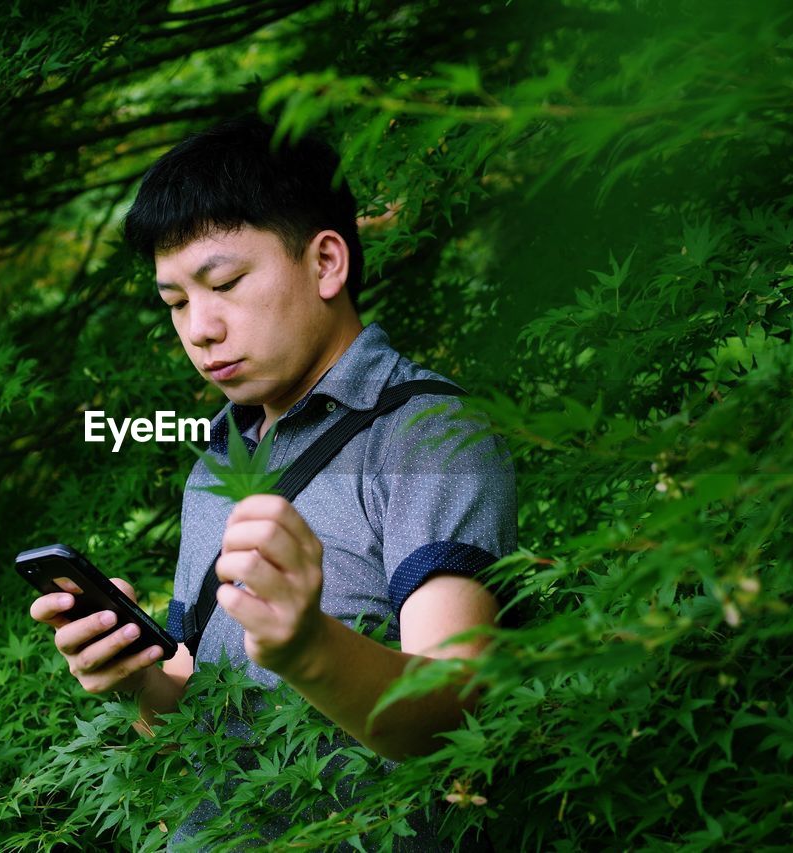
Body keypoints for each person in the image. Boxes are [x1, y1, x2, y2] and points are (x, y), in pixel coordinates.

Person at [28, 114, 516, 850]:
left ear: (326, 263)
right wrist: (137, 675)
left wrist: (308, 645)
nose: (200, 327)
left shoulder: (428, 435)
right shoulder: (217, 463)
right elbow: (196, 727)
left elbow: (449, 714)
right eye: (176, 303)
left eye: (222, 283)